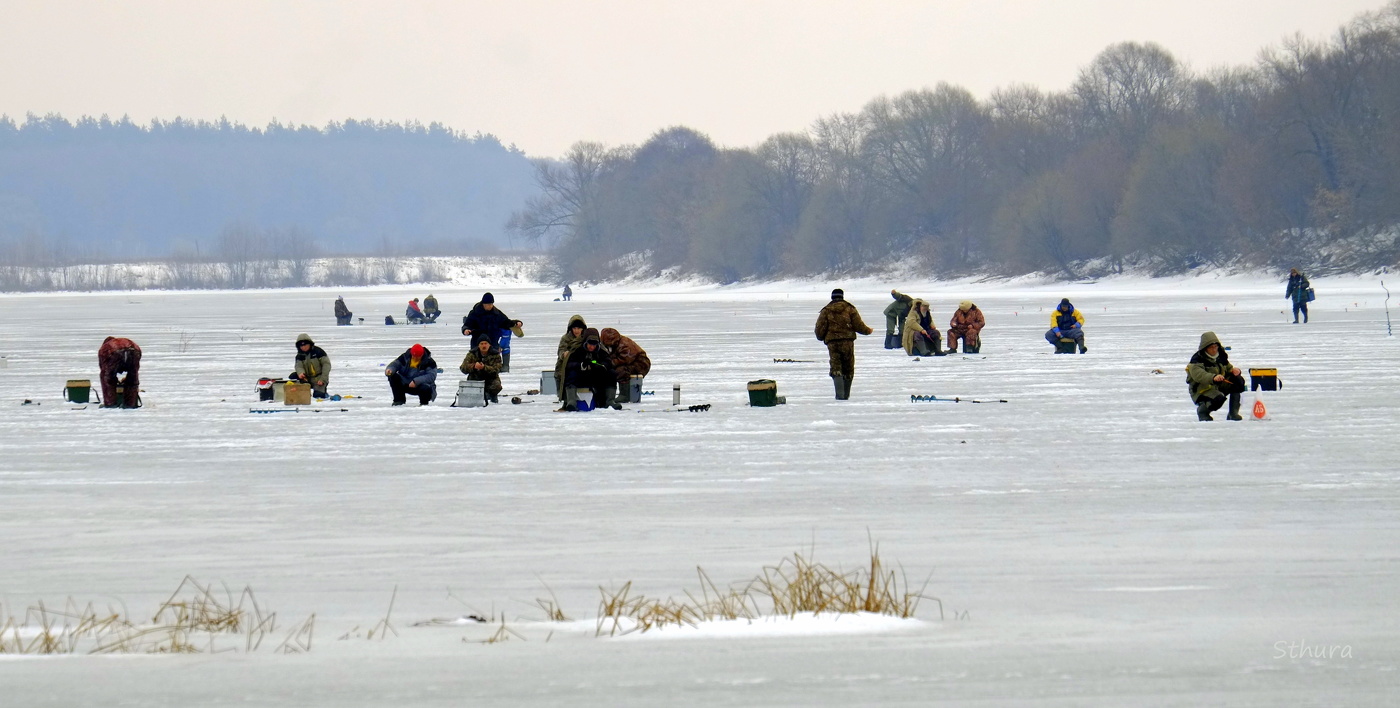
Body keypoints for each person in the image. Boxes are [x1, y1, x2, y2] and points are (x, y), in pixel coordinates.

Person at [814, 288, 873, 400]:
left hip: (833, 343)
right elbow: (858, 325)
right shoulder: (850, 309)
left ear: (832, 297)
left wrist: (820, 337)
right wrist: (868, 331)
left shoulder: (826, 310)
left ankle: (839, 395)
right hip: (847, 342)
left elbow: (819, 328)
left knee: (836, 367)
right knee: (848, 368)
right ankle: (846, 395)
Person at [1187, 331, 1246, 421]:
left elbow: (1228, 367)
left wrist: (1234, 371)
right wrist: (1213, 377)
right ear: (1205, 348)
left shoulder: (1220, 357)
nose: (1214, 350)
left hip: (1218, 385)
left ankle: (1233, 413)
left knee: (1238, 381)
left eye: (1216, 347)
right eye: (1211, 347)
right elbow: (1199, 375)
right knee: (1218, 399)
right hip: (1202, 389)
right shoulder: (1197, 361)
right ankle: (1203, 412)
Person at [562, 328, 618, 411]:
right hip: (580, 378)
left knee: (612, 373)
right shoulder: (577, 349)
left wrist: (601, 366)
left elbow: (609, 363)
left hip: (596, 378)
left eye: (594, 345)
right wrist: (581, 365)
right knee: (571, 374)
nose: (592, 347)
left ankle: (609, 401)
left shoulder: (601, 351)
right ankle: (571, 401)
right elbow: (569, 365)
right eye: (590, 344)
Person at [599, 327, 651, 402]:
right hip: (628, 362)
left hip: (641, 363)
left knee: (621, 371)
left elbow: (625, 359)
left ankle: (624, 395)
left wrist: (610, 363)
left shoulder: (624, 344)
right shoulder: (605, 343)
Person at [98, 336, 142, 408]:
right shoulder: (122, 341)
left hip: (114, 352)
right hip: (134, 349)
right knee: (132, 377)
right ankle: (131, 403)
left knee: (107, 379)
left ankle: (110, 404)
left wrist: (113, 379)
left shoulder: (105, 348)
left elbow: (104, 370)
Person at [460, 338, 503, 404]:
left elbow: (497, 368)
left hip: (490, 378)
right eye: (481, 344)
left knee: (496, 385)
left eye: (486, 343)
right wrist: (474, 366)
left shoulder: (495, 355)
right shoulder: (472, 354)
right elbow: (463, 368)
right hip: (475, 378)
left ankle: (492, 396)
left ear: (489, 345)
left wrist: (484, 367)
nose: (484, 346)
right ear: (478, 345)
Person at [554, 315, 587, 401]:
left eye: (579, 328)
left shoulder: (586, 338)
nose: (576, 331)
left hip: (583, 363)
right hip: (568, 363)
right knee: (561, 371)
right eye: (574, 328)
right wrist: (564, 354)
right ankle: (563, 394)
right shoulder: (566, 338)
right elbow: (561, 350)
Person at [292, 333, 331, 398]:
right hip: (306, 378)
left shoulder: (318, 352)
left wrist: (323, 379)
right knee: (293, 377)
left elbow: (326, 365)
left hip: (318, 378)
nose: (304, 347)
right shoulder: (299, 355)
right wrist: (300, 373)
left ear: (310, 344)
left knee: (318, 395)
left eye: (305, 345)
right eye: (301, 346)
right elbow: (298, 366)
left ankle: (323, 393)